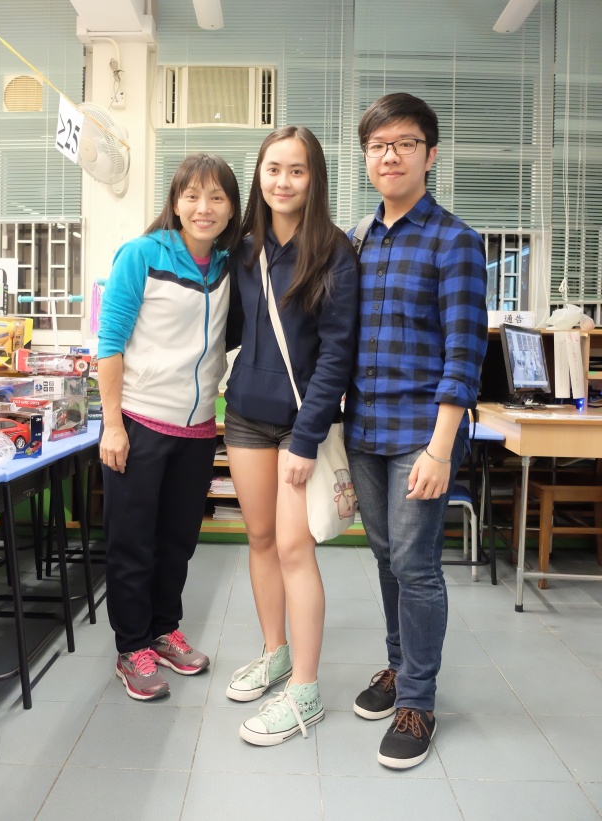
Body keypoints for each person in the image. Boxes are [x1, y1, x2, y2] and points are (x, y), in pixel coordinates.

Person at [344, 93, 488, 769]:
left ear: (430, 155)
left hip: (420, 435)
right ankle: (400, 665)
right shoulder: (358, 239)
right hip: (365, 429)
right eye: (378, 145)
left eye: (404, 143)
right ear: (366, 157)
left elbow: (465, 353)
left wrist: (440, 447)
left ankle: (419, 701)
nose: (390, 155)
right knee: (385, 558)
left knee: (417, 564)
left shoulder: (455, 240)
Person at [223, 126, 359, 745]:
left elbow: (336, 355)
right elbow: (232, 328)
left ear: (314, 178)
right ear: (259, 174)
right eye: (273, 168)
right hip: (245, 415)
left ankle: (305, 691)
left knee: (294, 550)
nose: (283, 181)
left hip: (302, 425)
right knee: (259, 539)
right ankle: (274, 652)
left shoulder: (333, 251)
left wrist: (305, 441)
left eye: (296, 170)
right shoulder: (244, 247)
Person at [98, 153, 242, 701]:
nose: (204, 208)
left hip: (199, 429)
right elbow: (110, 344)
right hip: (139, 422)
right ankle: (131, 647)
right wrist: (113, 425)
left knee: (177, 543)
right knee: (132, 543)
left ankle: (163, 631)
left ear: (232, 208)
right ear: (176, 202)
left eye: (217, 197)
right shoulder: (142, 255)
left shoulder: (228, 266)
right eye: (192, 196)